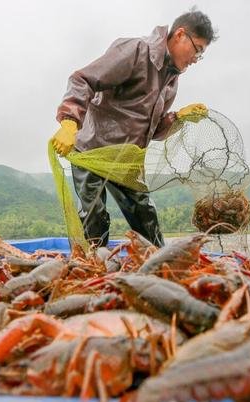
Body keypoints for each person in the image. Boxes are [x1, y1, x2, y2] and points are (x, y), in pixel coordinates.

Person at [52, 8, 217, 248]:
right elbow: (82, 80)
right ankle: (94, 271)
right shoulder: (136, 51)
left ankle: (160, 268)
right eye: (198, 49)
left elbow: (154, 132)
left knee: (146, 217)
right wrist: (69, 121)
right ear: (180, 34)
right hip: (92, 150)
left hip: (127, 159)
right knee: (94, 219)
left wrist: (178, 117)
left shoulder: (171, 81)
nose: (196, 58)